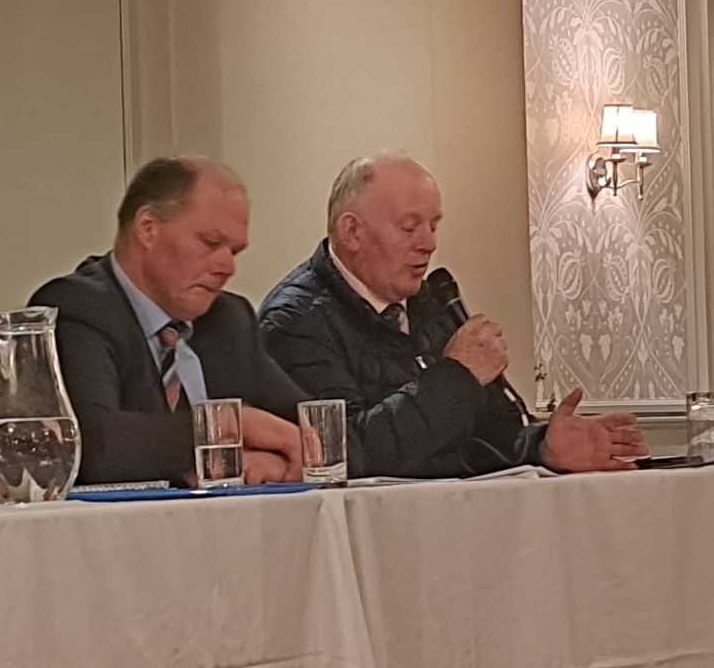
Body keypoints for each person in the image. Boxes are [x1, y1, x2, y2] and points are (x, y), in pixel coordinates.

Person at [258, 154, 644, 477]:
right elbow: (348, 455)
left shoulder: (430, 302)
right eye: (409, 227)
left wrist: (542, 446)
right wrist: (458, 375)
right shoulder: (293, 320)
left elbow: (490, 433)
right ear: (352, 232)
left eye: (433, 226)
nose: (428, 244)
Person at [28, 157, 308, 487]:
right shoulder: (77, 307)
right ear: (147, 228)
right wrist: (229, 426)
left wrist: (281, 459)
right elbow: (93, 447)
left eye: (234, 251)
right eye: (211, 243)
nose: (227, 268)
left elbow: (327, 434)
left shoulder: (229, 320)